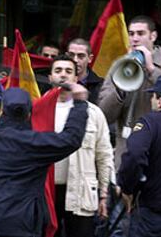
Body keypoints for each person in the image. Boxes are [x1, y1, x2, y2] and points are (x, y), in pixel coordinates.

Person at [0, 85, 89, 237]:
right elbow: (71, 139)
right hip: (21, 225)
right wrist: (80, 104)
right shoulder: (36, 144)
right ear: (29, 114)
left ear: (3, 111)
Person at [98, 15, 161, 169]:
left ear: (153, 36)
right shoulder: (119, 66)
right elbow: (104, 116)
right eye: (131, 34)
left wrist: (151, 71)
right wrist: (122, 85)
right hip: (127, 159)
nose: (135, 38)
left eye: (141, 33)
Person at [48, 55, 113, 237]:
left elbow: (104, 155)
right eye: (58, 71)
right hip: (47, 191)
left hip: (81, 191)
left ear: (76, 79)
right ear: (50, 77)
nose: (63, 76)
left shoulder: (93, 113)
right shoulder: (38, 109)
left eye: (69, 71)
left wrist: (103, 194)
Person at [118, 74, 161, 237]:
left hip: (153, 215)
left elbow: (134, 155)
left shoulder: (150, 123)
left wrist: (127, 188)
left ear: (160, 101)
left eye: (152, 96)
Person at [66, 38, 103, 104]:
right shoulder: (56, 81)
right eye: (71, 55)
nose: (75, 60)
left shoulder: (101, 87)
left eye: (81, 56)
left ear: (90, 59)